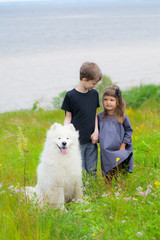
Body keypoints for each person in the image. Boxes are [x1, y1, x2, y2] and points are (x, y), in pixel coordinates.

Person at [61, 62, 102, 175]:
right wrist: (66, 135)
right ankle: (81, 192)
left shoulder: (94, 94)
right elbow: (67, 118)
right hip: (77, 142)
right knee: (80, 169)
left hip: (91, 140)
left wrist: (96, 132)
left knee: (92, 169)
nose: (95, 85)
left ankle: (92, 191)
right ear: (84, 80)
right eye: (93, 83)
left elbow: (94, 114)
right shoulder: (70, 95)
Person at [97, 85, 133, 184]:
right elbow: (97, 132)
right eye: (105, 99)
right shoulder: (99, 117)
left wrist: (124, 144)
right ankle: (108, 192)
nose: (108, 102)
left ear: (118, 101)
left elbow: (129, 130)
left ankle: (120, 191)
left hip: (119, 149)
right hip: (106, 151)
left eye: (111, 100)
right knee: (108, 173)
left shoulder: (122, 116)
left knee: (119, 171)